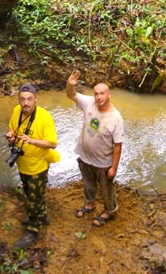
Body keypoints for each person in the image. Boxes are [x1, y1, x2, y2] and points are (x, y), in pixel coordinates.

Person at [66, 70, 124, 227]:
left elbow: (118, 144)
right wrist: (70, 85)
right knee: (88, 184)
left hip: (103, 162)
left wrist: (114, 167)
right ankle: (90, 204)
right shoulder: (89, 102)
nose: (99, 97)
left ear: (109, 95)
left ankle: (109, 211)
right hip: (85, 157)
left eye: (102, 94)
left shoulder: (116, 118)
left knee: (107, 190)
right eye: (96, 94)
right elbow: (71, 95)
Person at [5, 83, 59, 249]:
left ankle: (32, 230)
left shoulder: (44, 117)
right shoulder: (16, 111)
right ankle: (42, 216)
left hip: (38, 166)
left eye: (29, 99)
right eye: (22, 99)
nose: (25, 103)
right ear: (18, 100)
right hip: (22, 164)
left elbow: (52, 143)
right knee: (30, 193)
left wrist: (32, 141)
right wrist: (11, 134)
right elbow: (12, 127)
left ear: (35, 99)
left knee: (33, 199)